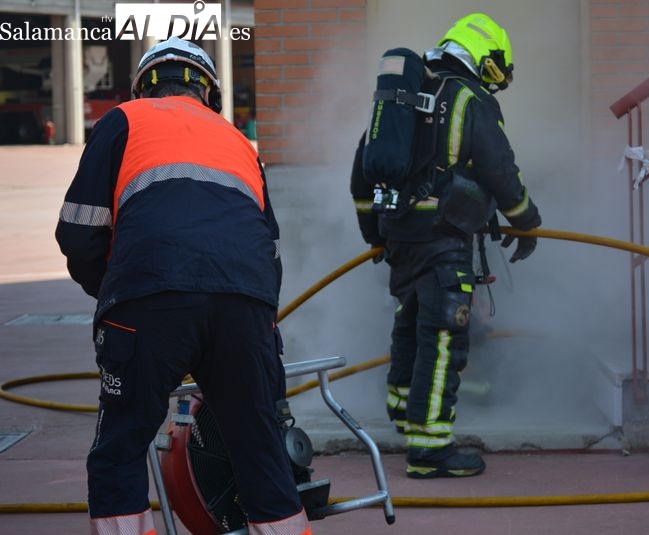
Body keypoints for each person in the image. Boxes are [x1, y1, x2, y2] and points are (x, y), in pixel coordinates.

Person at [55, 37, 311, 535]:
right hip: (245, 305)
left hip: (149, 299)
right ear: (209, 92)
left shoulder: (124, 120)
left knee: (122, 447)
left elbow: (80, 234)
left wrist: (117, 296)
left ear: (143, 87)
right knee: (261, 451)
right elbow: (269, 253)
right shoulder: (238, 140)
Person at [350, 13, 542, 479]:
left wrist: (376, 236)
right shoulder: (468, 99)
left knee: (410, 324)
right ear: (482, 59)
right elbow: (500, 167)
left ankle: (403, 413)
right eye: (494, 70)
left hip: (400, 237)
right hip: (443, 240)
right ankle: (430, 447)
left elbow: (362, 172)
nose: (494, 82)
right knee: (442, 339)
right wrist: (526, 223)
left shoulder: (404, 99)